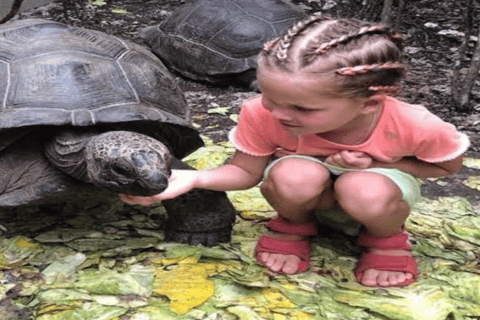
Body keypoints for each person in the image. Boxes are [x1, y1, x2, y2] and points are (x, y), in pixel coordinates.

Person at [120, 14, 470, 287]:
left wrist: (381, 161)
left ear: (370, 102)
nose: (280, 114)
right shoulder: (262, 112)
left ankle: (386, 239)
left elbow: (447, 167)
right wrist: (193, 179)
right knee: (293, 173)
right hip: (307, 191)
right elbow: (246, 173)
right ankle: (293, 225)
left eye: (303, 109)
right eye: (269, 97)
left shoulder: (413, 124)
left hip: (378, 191)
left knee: (363, 187)